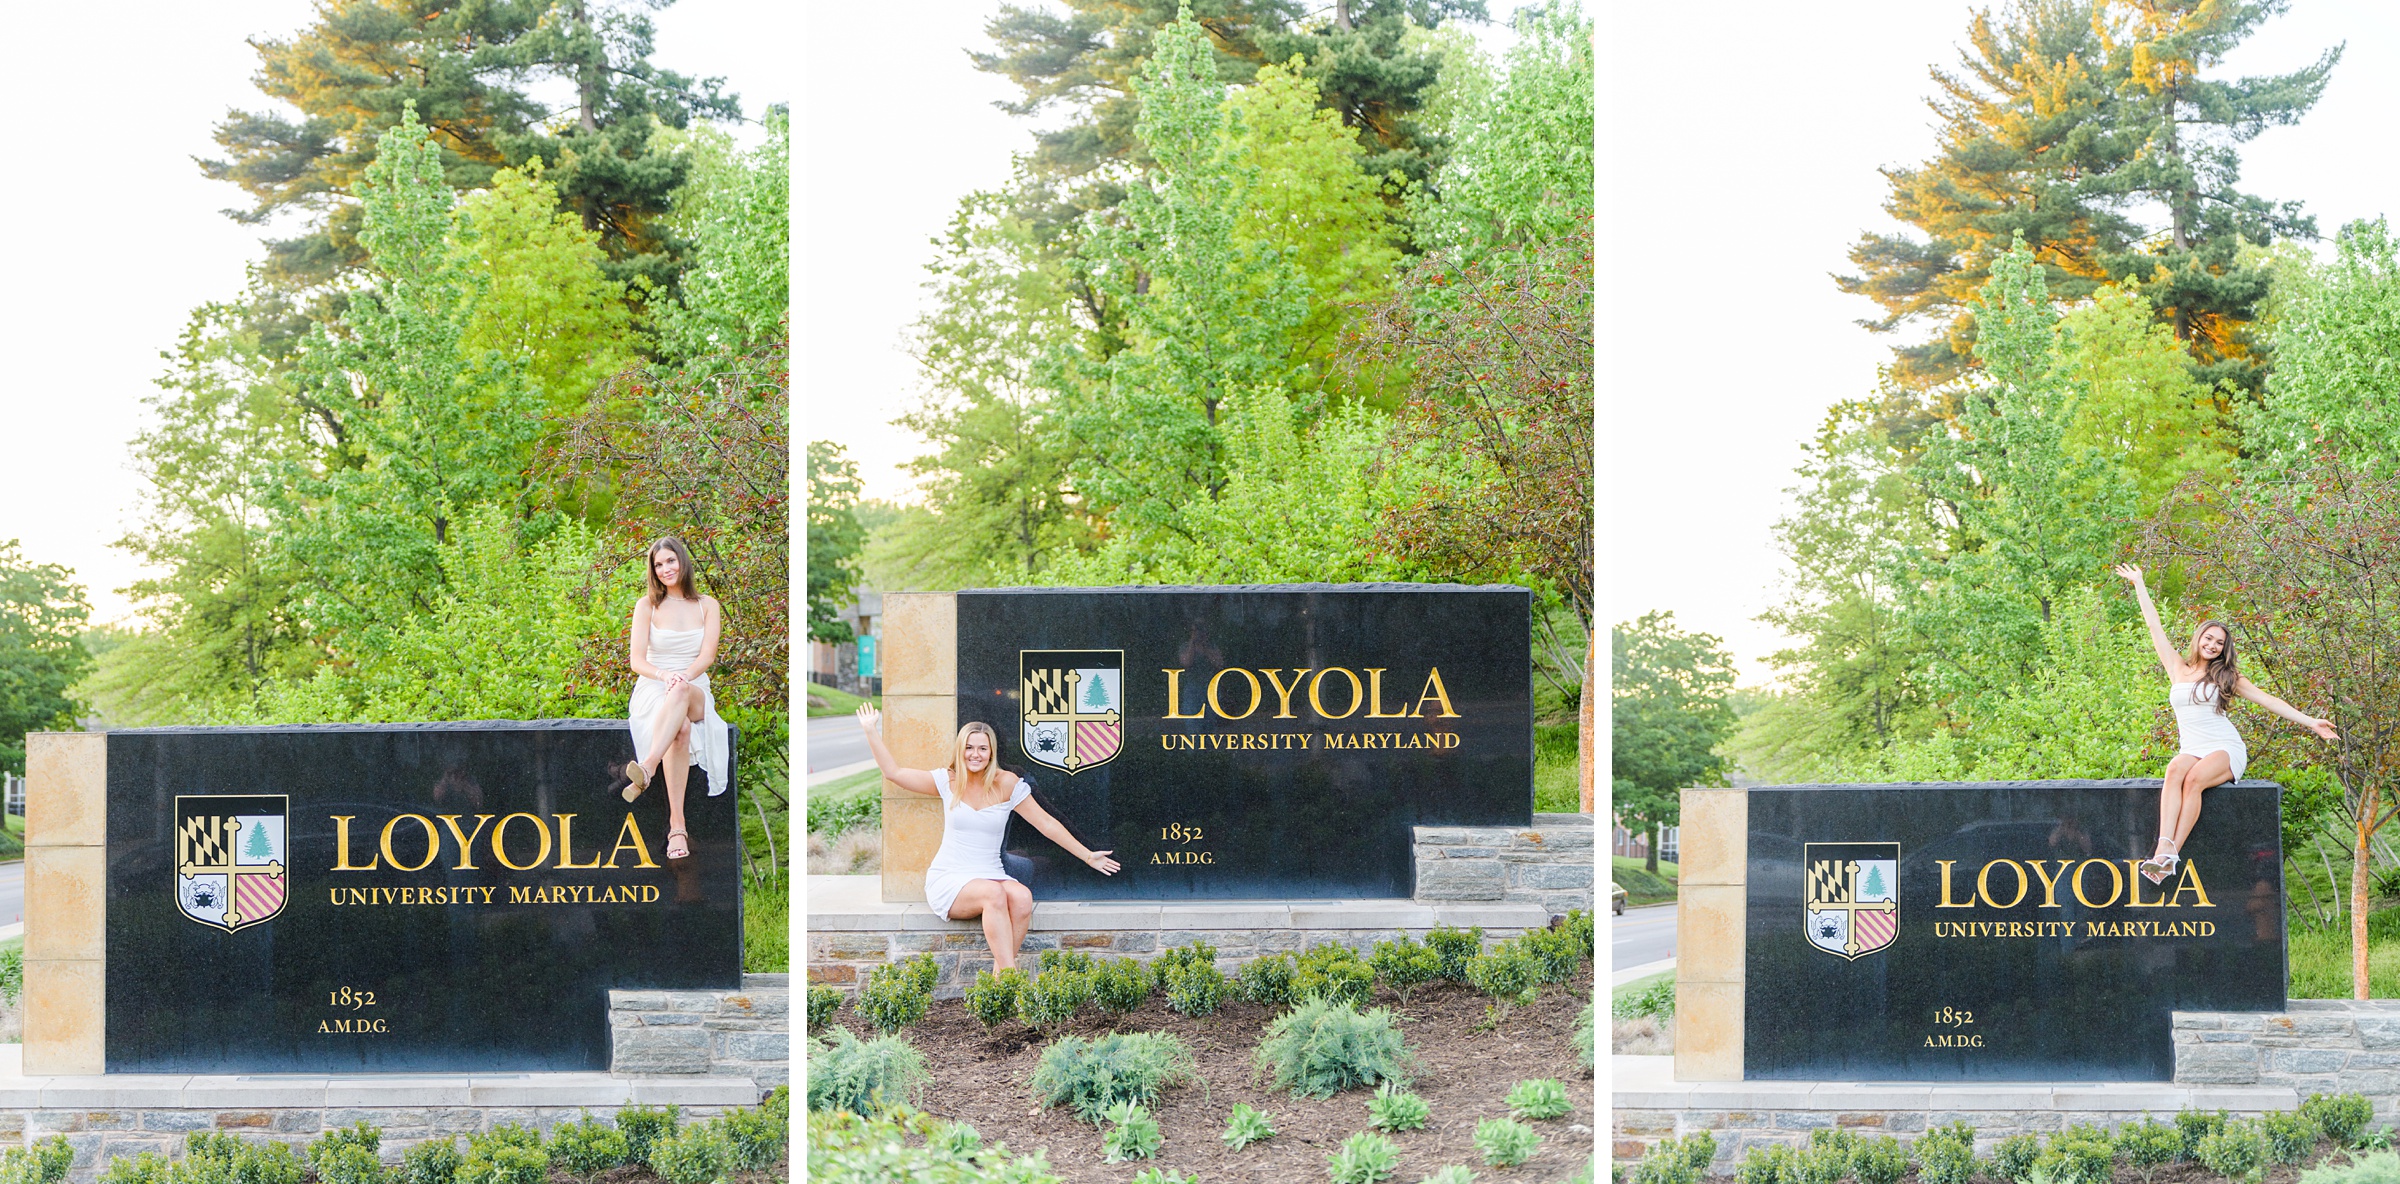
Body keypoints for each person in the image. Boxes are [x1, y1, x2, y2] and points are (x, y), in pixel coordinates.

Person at [854, 704, 1120, 970]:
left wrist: (1087, 855)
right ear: (961, 750)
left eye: (982, 748)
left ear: (991, 751)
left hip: (991, 873)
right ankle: (1009, 975)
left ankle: (999, 975)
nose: (975, 754)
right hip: (951, 877)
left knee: (1022, 897)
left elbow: (1047, 824)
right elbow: (894, 773)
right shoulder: (948, 781)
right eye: (969, 747)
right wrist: (870, 729)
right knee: (994, 894)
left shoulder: (1008, 784)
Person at [2117, 564, 2336, 884]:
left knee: (2193, 781)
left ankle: (2167, 858)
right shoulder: (2177, 667)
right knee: (2175, 768)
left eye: (2219, 642)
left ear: (2224, 649)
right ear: (2199, 639)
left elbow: (2268, 701)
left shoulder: (2228, 677)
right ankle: (2163, 847)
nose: (2212, 645)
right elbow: (2154, 627)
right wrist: (2139, 583)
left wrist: (2310, 722)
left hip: (2224, 747)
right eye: (2208, 638)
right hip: (2192, 748)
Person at [625, 537, 731, 861]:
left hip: (694, 685)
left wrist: (682, 676)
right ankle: (677, 829)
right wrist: (664, 676)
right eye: (658, 565)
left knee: (683, 692)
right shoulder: (647, 606)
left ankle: (648, 767)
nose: (665, 569)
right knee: (680, 730)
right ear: (653, 571)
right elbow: (636, 661)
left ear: (682, 562)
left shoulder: (707, 605)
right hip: (654, 688)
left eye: (670, 561)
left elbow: (708, 655)